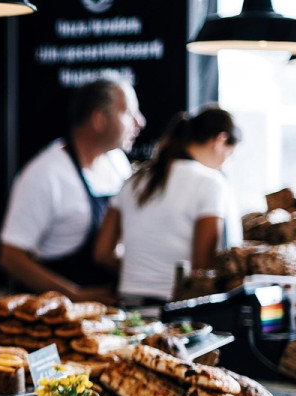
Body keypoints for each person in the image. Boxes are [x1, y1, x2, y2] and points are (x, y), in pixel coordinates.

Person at [0, 76, 146, 304]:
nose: (140, 122)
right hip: (55, 317)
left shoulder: (117, 162)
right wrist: (73, 295)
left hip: (111, 310)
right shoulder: (45, 174)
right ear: (99, 119)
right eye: (129, 113)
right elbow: (11, 257)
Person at [93, 106, 241, 304]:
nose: (224, 164)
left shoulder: (135, 179)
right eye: (229, 155)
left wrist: (141, 269)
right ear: (220, 141)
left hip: (129, 306)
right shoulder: (211, 182)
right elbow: (202, 268)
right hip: (177, 310)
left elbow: (102, 253)